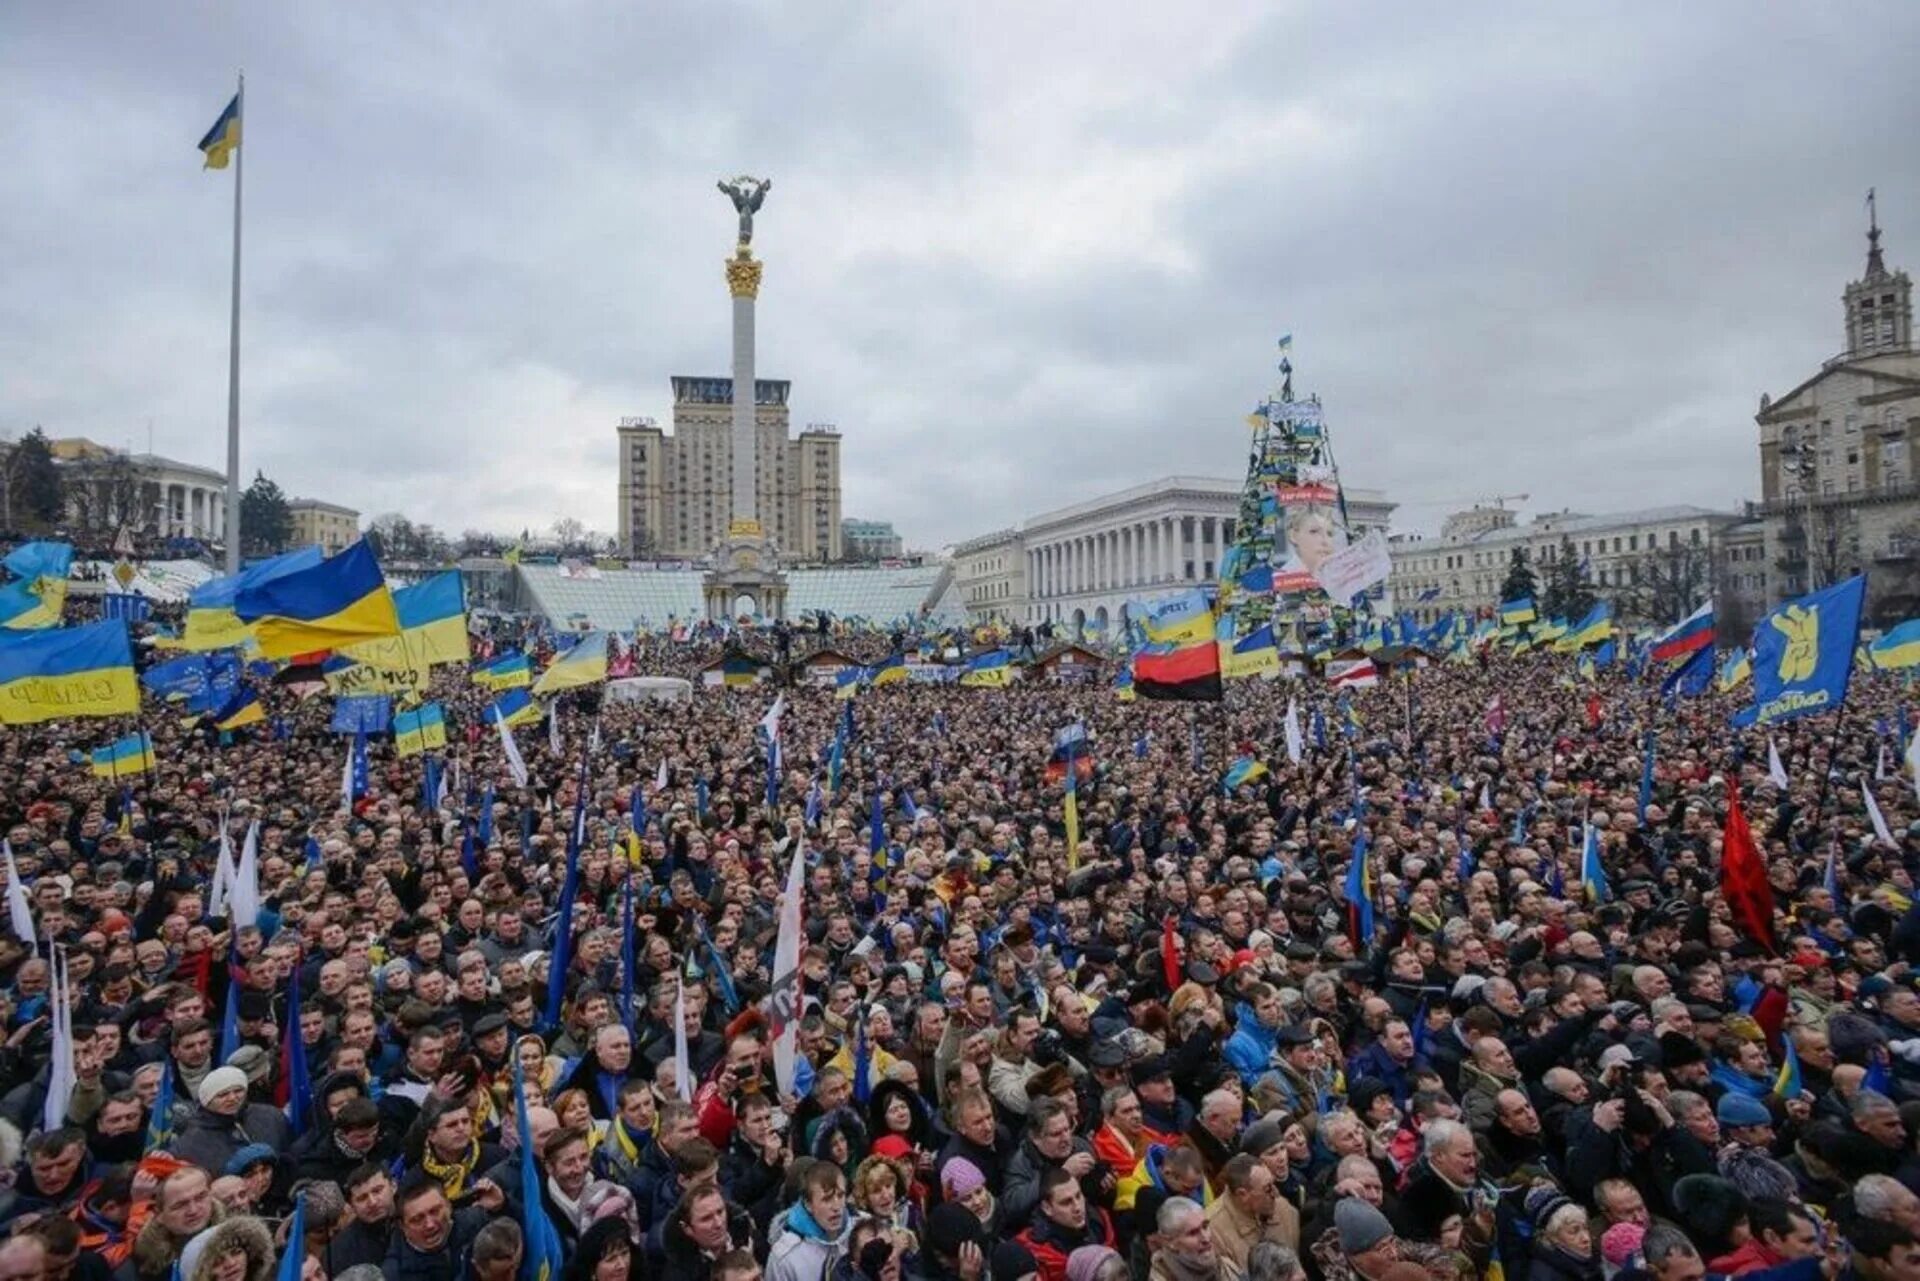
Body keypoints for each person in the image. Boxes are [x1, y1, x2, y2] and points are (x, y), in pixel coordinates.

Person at [766, 1163, 852, 1281]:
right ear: (808, 1204)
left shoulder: (860, 1231)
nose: (836, 1206)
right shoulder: (784, 1257)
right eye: (827, 1199)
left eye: (841, 1195)